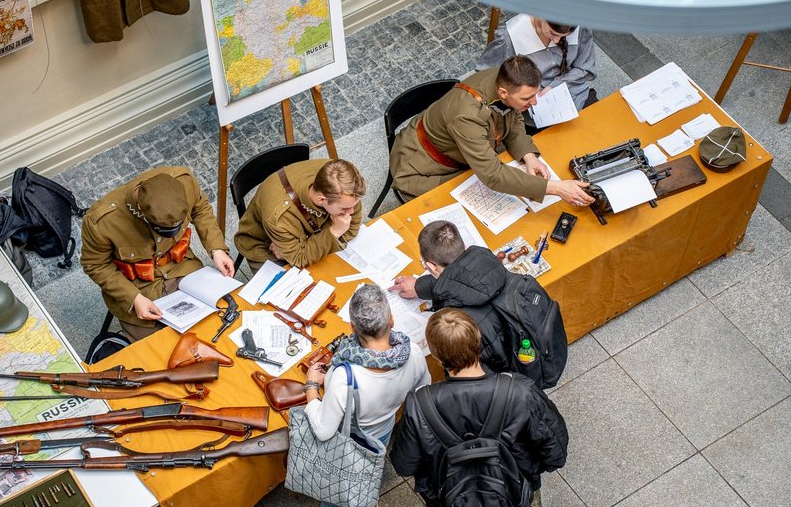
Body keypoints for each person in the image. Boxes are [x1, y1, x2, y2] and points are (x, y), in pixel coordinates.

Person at [389, 309, 569, 507]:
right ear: (478, 340)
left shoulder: (420, 405)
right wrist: (527, 471)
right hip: (515, 497)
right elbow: (556, 452)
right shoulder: (521, 391)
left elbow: (404, 464)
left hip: (448, 501)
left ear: (435, 353)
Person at [301, 283, 430, 507]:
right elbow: (423, 393)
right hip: (383, 429)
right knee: (374, 465)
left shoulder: (343, 375)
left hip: (348, 440)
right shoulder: (414, 355)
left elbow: (323, 429)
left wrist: (312, 388)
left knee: (334, 498)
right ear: (391, 321)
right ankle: (370, 506)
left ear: (353, 327)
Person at [388, 55, 592, 207]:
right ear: (503, 92)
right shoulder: (466, 115)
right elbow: (493, 175)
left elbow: (513, 117)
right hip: (424, 169)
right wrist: (556, 188)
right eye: (527, 99)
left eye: (535, 94)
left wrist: (528, 155)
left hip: (463, 152)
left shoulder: (504, 78)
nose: (534, 102)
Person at [81, 166, 234, 341]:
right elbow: (95, 264)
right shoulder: (102, 222)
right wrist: (134, 298)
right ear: (140, 208)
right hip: (138, 286)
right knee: (161, 349)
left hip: (183, 267)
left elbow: (200, 210)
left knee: (222, 320)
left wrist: (217, 249)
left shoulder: (185, 181)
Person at [390, 220, 509, 373]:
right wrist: (419, 286)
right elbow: (464, 282)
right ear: (464, 248)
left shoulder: (456, 320)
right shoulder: (493, 267)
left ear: (431, 266)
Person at [234, 159, 365, 271]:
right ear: (321, 200)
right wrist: (335, 232)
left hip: (295, 241)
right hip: (265, 247)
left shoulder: (339, 181)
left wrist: (313, 245)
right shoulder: (279, 217)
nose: (352, 212)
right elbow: (299, 259)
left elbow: (352, 229)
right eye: (345, 208)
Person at [476, 14, 597, 132]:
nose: (556, 40)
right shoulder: (511, 36)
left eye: (564, 36)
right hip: (530, 114)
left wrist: (555, 85)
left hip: (575, 96)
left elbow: (586, 68)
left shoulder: (580, 27)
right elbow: (486, 76)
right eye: (552, 33)